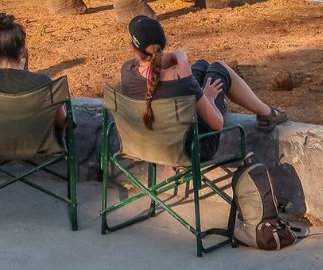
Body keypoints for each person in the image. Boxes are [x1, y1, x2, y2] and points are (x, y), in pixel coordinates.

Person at [120, 15, 288, 161]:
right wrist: (208, 96)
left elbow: (154, 69)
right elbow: (217, 124)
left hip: (150, 144)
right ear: (163, 45)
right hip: (194, 148)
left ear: (133, 47)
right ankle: (266, 113)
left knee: (201, 65)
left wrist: (178, 64)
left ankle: (264, 112)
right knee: (218, 69)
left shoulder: (127, 71)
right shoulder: (180, 80)